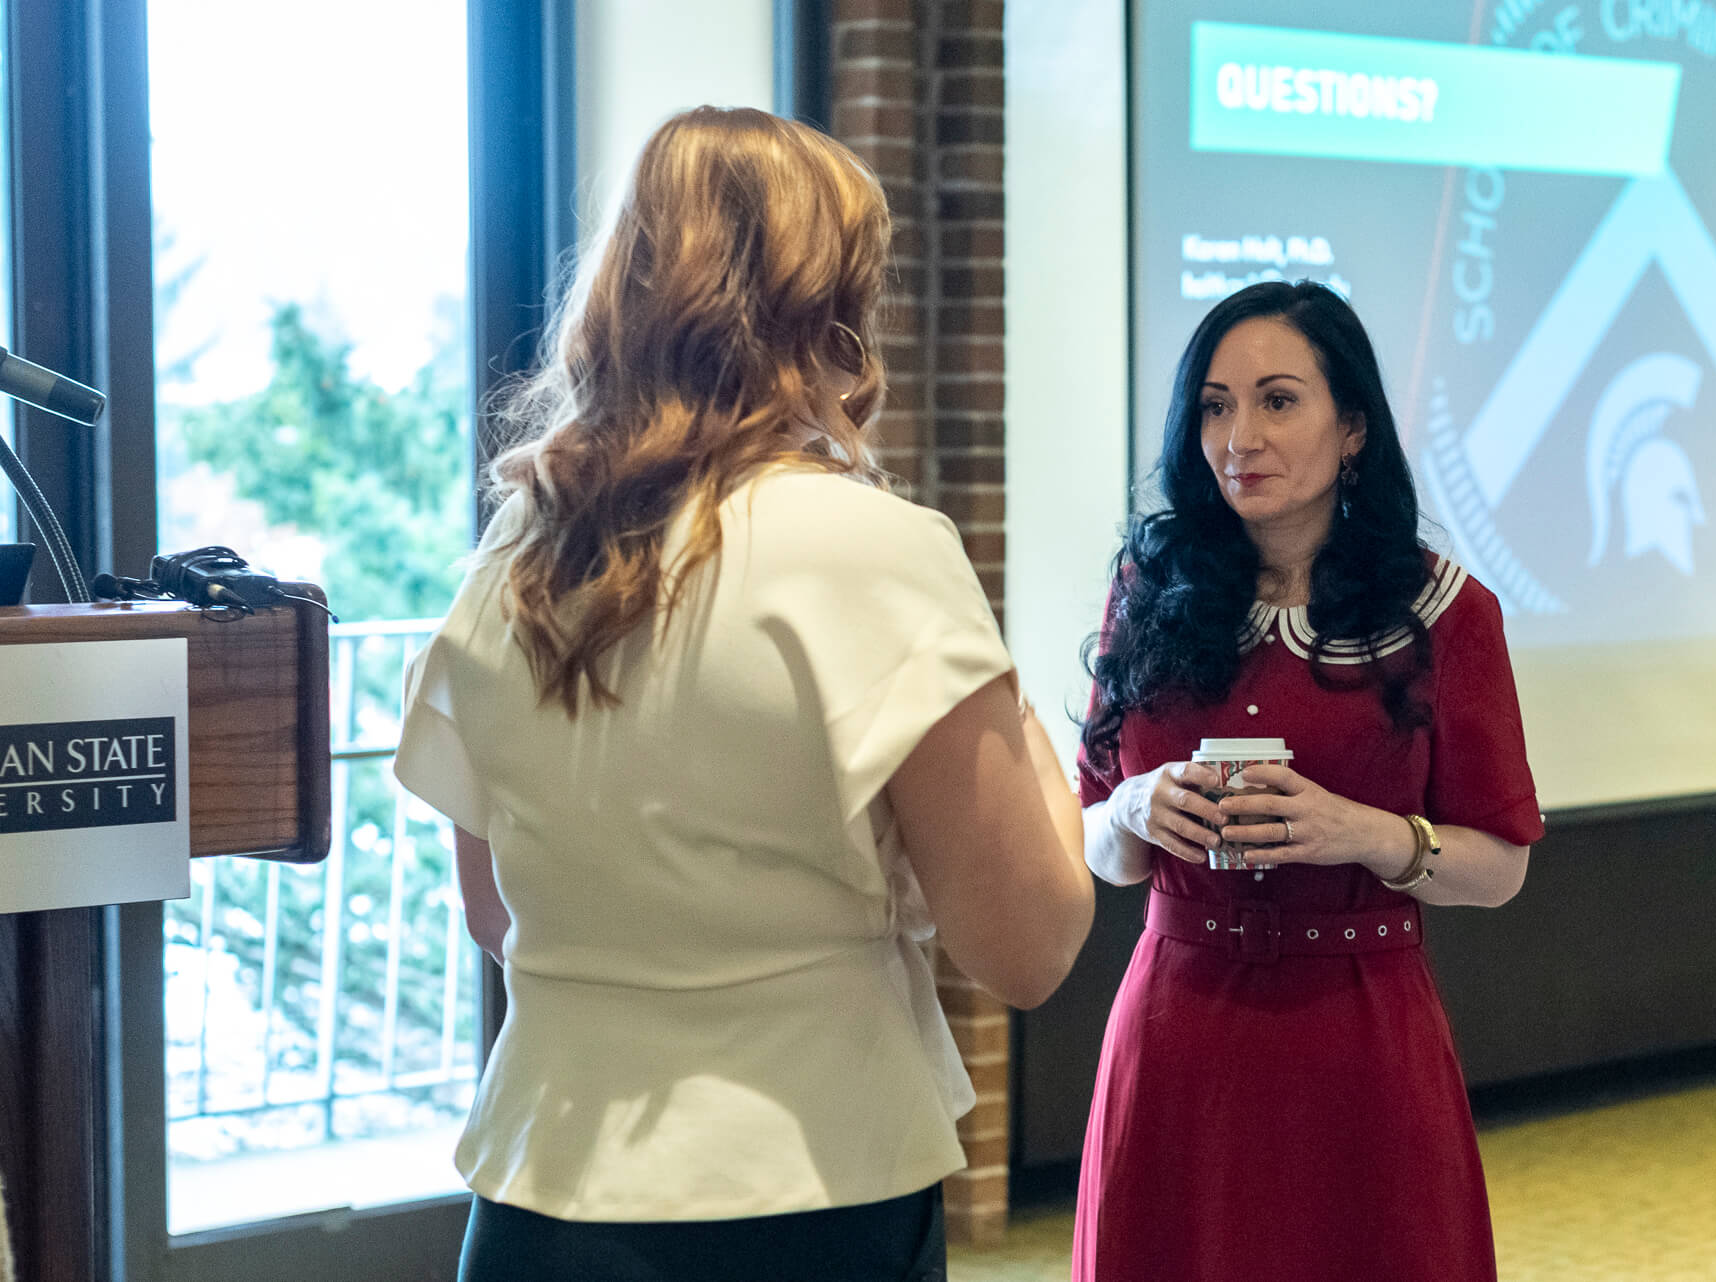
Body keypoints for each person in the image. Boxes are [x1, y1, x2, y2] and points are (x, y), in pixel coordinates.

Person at [395, 106, 1094, 1282]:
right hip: (809, 1202)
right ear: (831, 314)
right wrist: (1027, 735)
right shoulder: (874, 551)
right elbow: (1027, 946)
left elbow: (495, 915)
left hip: (541, 1207)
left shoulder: (515, 562)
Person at [1071, 280, 1543, 1281]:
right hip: (1175, 1033)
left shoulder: (1448, 614)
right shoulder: (1147, 594)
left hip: (1360, 1042)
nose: (1240, 433)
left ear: (1354, 428)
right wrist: (1132, 806)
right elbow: (1095, 849)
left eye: (1278, 400)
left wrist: (1363, 833)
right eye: (1214, 404)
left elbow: (1501, 867)